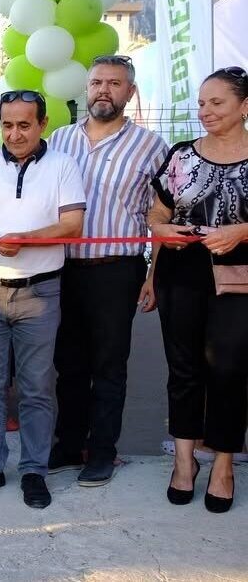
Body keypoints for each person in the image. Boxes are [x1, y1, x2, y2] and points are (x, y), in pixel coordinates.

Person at [0, 90, 85, 509]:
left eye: (24, 124)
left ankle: (33, 471)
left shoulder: (63, 164)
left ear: (42, 124)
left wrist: (26, 239)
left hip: (40, 291)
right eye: (7, 124)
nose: (14, 133)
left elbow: (73, 224)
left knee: (37, 387)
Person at [47, 55, 169, 487]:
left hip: (118, 270)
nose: (104, 90)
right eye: (96, 81)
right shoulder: (59, 141)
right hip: (63, 268)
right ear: (86, 87)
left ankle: (102, 452)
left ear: (130, 92)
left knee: (110, 365)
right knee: (69, 362)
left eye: (114, 83)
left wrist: (153, 276)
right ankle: (67, 445)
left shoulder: (152, 147)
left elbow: (162, 214)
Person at [149, 66, 248, 514]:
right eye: (202, 103)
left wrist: (241, 232)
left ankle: (224, 464)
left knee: (229, 370)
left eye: (217, 102)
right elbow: (156, 215)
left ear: (243, 107)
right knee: (183, 368)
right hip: (181, 273)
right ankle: (184, 463)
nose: (205, 111)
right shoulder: (181, 155)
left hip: (239, 278)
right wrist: (162, 234)